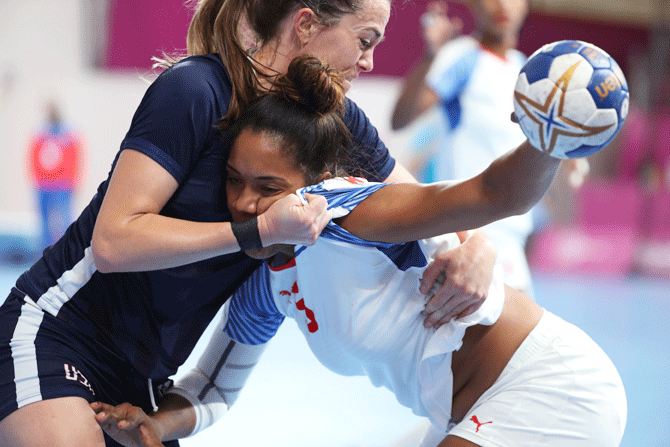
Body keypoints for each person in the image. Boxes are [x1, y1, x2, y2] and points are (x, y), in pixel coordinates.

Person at [0, 1, 499, 447]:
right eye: (364, 41)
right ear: (306, 25)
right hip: (57, 333)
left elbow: (429, 203)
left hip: (148, 382)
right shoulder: (196, 90)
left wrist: (478, 247)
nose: (368, 62)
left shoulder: (339, 125)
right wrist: (258, 232)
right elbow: (113, 241)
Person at [90, 56, 626, 447]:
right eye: (234, 179)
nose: (246, 202)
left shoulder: (346, 213)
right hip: (460, 415)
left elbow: (491, 195)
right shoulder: (263, 286)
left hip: (545, 385)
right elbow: (213, 388)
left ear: (316, 181)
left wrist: (545, 142)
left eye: (269, 186)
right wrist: (156, 424)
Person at [391, 0, 540, 297]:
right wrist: (430, 57)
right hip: (472, 230)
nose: (501, 5)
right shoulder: (461, 57)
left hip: (513, 234)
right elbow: (401, 119)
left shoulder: (528, 69)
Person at [26, 100, 85, 250]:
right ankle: (45, 252)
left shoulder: (69, 135)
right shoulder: (40, 134)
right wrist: (37, 179)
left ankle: (66, 251)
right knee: (44, 222)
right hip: (44, 184)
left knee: (65, 219)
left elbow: (74, 160)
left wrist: (72, 182)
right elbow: (33, 158)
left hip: (63, 185)